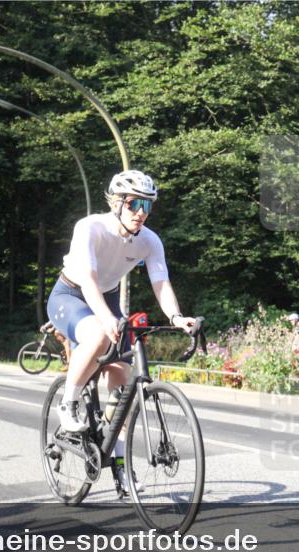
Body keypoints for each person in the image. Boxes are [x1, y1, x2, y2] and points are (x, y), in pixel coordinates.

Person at [47, 169, 198, 498]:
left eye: (147, 205)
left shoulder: (149, 241)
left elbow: (161, 282)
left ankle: (120, 467)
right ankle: (69, 402)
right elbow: (88, 280)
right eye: (134, 204)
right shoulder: (90, 228)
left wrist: (176, 317)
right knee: (99, 335)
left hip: (109, 297)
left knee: (123, 383)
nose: (141, 212)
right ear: (116, 203)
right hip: (70, 295)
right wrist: (105, 318)